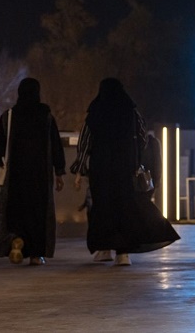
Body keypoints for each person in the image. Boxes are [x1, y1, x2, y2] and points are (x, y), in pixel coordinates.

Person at [70, 78, 179, 265]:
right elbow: (143, 139)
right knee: (125, 208)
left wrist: (79, 170)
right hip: (125, 169)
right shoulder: (131, 112)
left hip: (101, 169)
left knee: (102, 208)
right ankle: (123, 253)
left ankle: (104, 249)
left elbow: (85, 143)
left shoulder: (95, 111)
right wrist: (134, 157)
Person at [0, 78, 66, 266]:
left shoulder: (9, 116)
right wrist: (59, 171)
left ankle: (17, 239)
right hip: (40, 175)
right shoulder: (46, 115)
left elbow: (2, 146)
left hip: (16, 175)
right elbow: (55, 144)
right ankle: (35, 254)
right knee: (38, 213)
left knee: (16, 210)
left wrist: (2, 162)